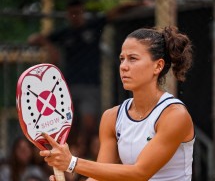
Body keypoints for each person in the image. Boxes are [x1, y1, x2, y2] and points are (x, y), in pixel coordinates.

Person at [39, 26, 195, 181]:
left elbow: (139, 173)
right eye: (122, 59)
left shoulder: (175, 115)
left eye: (133, 58)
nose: (123, 66)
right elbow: (101, 178)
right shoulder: (111, 117)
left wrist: (72, 162)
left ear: (158, 66)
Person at [28, 0, 146, 139]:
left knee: (88, 123)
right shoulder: (65, 33)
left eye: (77, 13)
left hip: (91, 84)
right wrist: (49, 47)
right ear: (67, 15)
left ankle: (83, 152)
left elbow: (114, 12)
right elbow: (34, 39)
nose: (75, 17)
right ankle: (71, 151)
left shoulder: (93, 26)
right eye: (72, 14)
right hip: (69, 84)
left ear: (82, 13)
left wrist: (137, 3)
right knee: (69, 122)